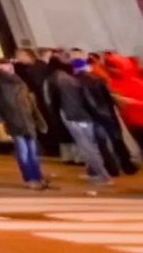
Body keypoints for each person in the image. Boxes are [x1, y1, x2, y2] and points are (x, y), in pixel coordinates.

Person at [0, 55, 48, 189]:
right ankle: (30, 178)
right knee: (23, 152)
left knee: (33, 152)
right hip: (13, 119)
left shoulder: (19, 80)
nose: (10, 68)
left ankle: (38, 176)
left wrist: (39, 120)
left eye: (10, 65)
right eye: (6, 65)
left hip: (27, 119)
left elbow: (30, 102)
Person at [45, 54, 111, 188]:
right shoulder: (75, 80)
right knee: (91, 144)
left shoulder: (56, 81)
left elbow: (53, 103)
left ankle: (102, 175)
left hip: (73, 116)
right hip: (86, 116)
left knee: (87, 147)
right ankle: (93, 172)